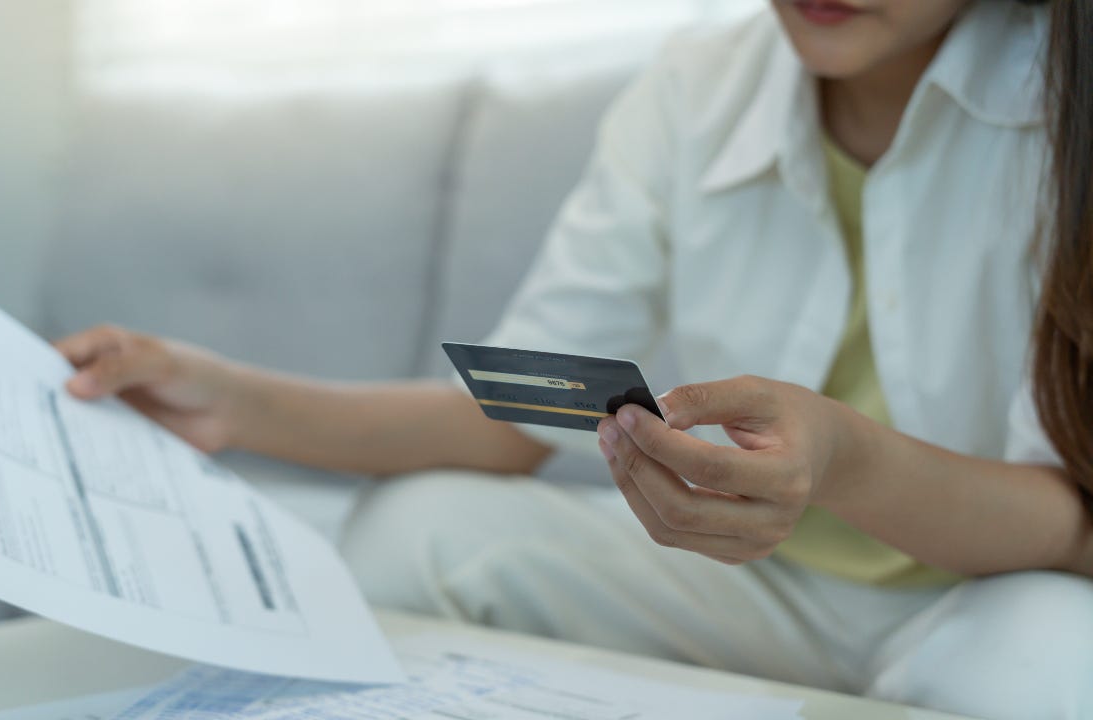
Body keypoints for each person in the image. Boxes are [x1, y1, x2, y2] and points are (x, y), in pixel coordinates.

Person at [56, 1, 1093, 717]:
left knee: (1057, 660)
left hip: (989, 595)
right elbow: (522, 412)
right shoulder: (695, 86)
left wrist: (846, 463)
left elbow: (1075, 527)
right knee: (416, 531)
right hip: (752, 588)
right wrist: (233, 399)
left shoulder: (1068, 105)